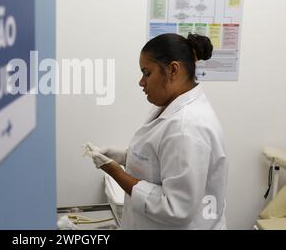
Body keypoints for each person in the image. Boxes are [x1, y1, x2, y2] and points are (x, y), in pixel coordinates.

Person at [88, 33, 228, 229]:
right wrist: (123, 157)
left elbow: (175, 208)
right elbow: (162, 162)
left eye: (147, 73)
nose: (141, 82)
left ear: (172, 70)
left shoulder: (186, 127)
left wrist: (115, 172)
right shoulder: (170, 108)